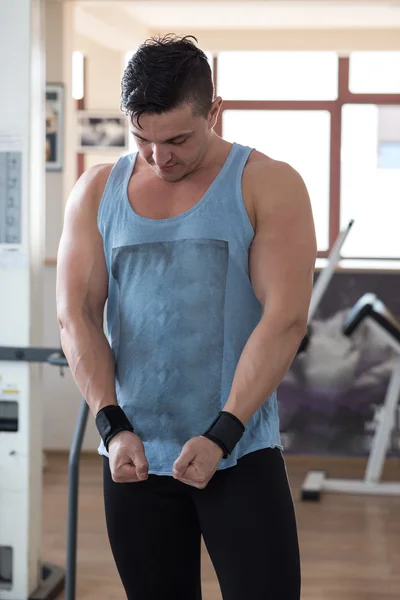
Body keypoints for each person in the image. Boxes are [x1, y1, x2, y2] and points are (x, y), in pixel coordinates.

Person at [56, 34, 317, 600]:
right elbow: (75, 313)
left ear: (214, 111)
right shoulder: (98, 190)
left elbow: (286, 318)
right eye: (142, 138)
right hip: (135, 456)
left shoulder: (267, 183)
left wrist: (223, 432)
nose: (159, 156)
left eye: (177, 138)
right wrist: (111, 424)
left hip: (238, 451)